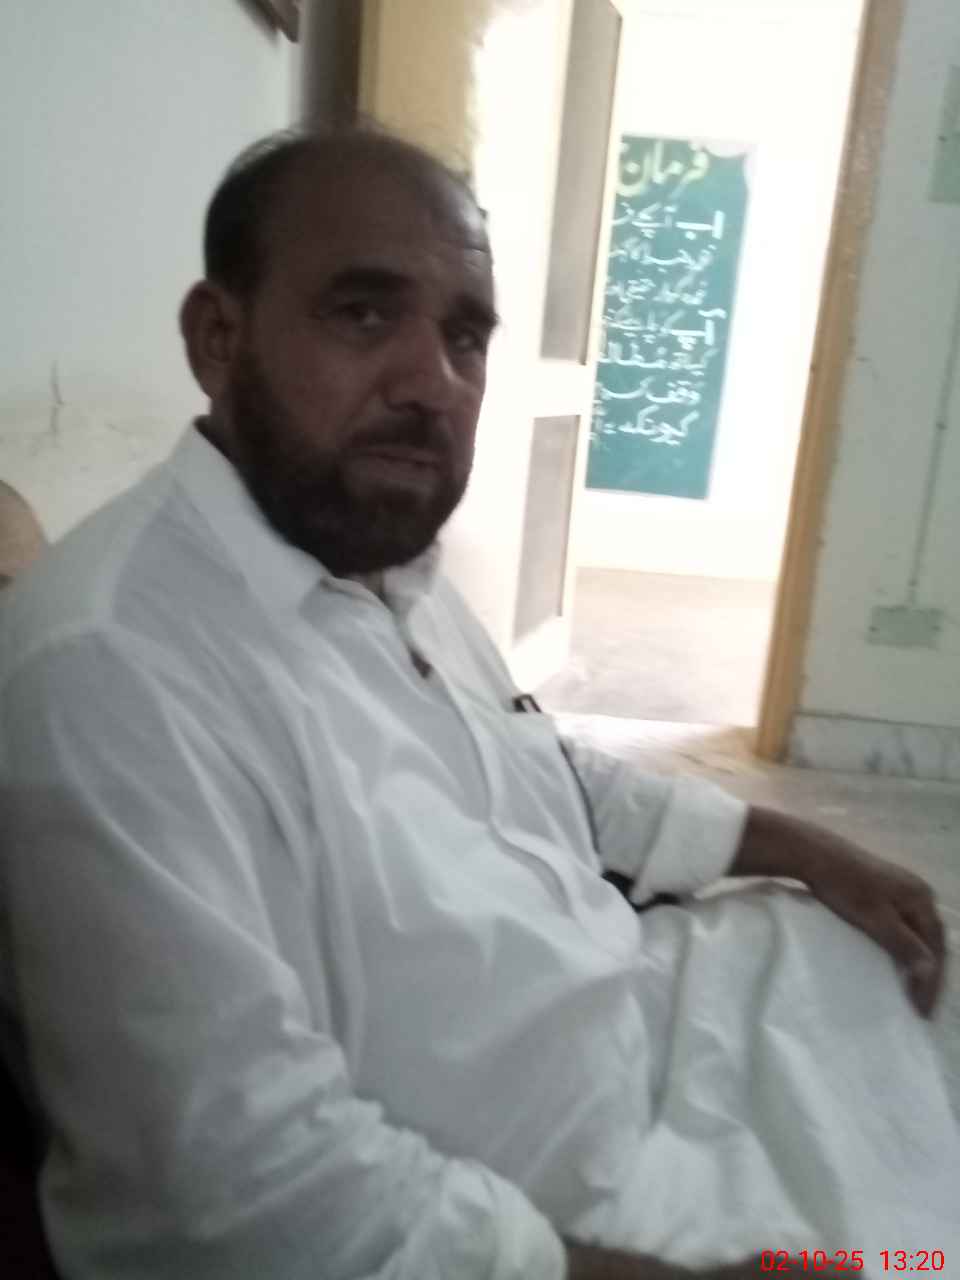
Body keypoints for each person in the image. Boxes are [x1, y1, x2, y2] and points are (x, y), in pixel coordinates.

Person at [0, 128, 955, 1280]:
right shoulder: (114, 676)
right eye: (364, 314)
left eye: (465, 337)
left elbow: (536, 767)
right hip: (581, 1210)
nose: (431, 385)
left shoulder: (381, 563)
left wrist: (806, 849)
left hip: (675, 1018)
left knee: (921, 963)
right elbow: (242, 1198)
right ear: (218, 336)